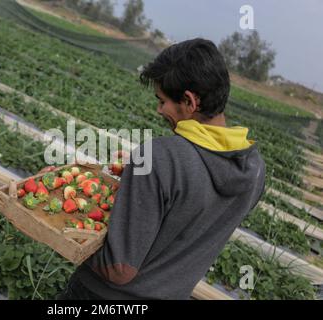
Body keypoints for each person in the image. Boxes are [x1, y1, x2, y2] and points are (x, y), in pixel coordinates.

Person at [54, 38, 266, 300]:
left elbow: (119, 270)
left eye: (162, 100)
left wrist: (61, 233)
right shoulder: (254, 169)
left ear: (189, 101)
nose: (158, 109)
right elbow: (196, 209)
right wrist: (144, 175)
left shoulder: (160, 158)